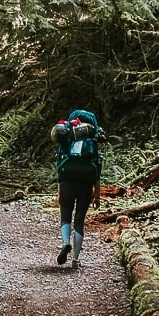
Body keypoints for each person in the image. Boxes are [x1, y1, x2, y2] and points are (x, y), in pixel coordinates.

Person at [53, 110, 103, 270]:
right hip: (85, 186)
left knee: (65, 218)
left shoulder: (66, 139)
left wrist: (59, 192)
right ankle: (75, 259)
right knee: (79, 221)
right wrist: (97, 195)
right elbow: (97, 171)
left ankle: (65, 242)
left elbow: (59, 169)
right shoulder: (92, 142)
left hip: (67, 183)